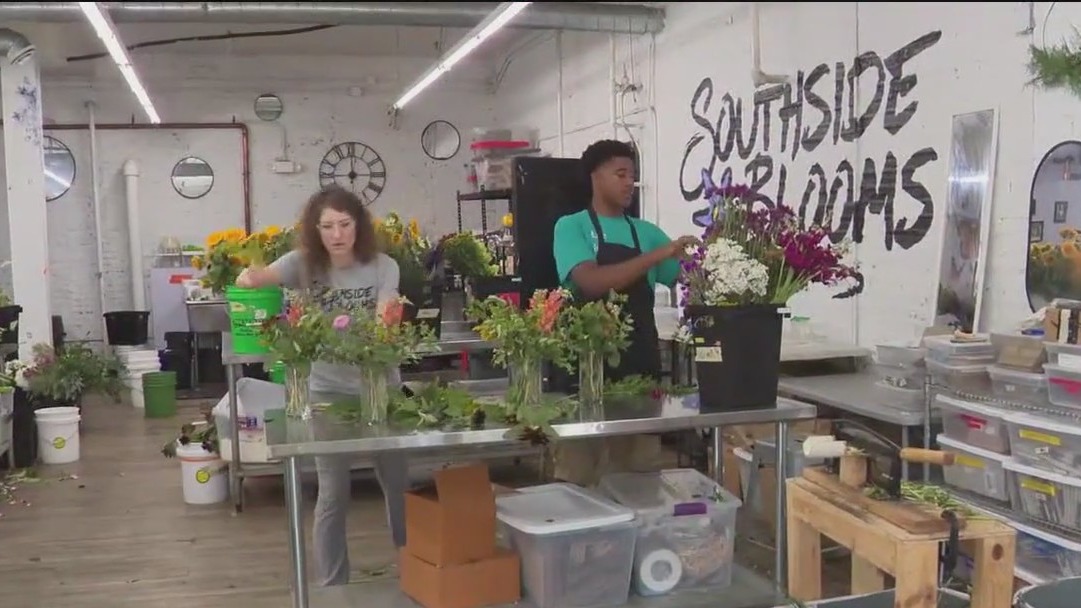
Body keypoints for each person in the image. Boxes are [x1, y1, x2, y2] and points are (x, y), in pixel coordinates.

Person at [235, 185, 410, 587]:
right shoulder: (302, 264)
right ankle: (333, 587)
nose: (337, 234)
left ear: (358, 226)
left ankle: (416, 571)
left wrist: (380, 330)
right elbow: (255, 279)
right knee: (333, 493)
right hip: (326, 393)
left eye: (344, 224)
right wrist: (250, 277)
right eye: (327, 226)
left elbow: (386, 317)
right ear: (315, 230)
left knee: (399, 486)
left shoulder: (384, 266)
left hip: (381, 390)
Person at [551, 139, 699, 486]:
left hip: (639, 375)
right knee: (579, 479)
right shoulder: (571, 227)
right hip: (585, 378)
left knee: (640, 481)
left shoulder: (646, 233)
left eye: (632, 175)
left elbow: (691, 276)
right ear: (595, 177)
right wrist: (658, 255)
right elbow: (591, 282)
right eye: (620, 174)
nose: (629, 182)